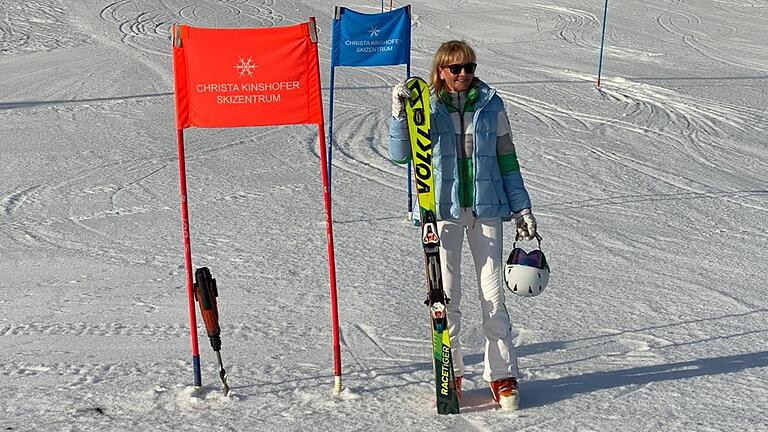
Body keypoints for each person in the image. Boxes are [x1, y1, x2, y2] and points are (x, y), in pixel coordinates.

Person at [388, 40, 537, 410]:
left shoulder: (491, 104)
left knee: (494, 300)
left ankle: (501, 375)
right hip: (441, 212)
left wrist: (522, 209)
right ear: (440, 70)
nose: (464, 74)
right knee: (446, 299)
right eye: (455, 68)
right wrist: (399, 116)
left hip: (487, 211)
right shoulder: (427, 106)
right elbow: (400, 155)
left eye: (469, 67)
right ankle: (449, 373)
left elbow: (507, 160)